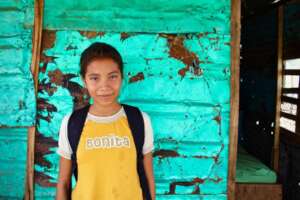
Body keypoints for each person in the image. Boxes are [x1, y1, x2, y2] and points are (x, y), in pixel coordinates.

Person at [56, 42, 155, 200]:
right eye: (95, 78)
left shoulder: (140, 120)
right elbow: (63, 183)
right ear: (84, 80)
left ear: (122, 77)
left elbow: (149, 179)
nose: (105, 86)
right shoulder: (72, 123)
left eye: (112, 76)